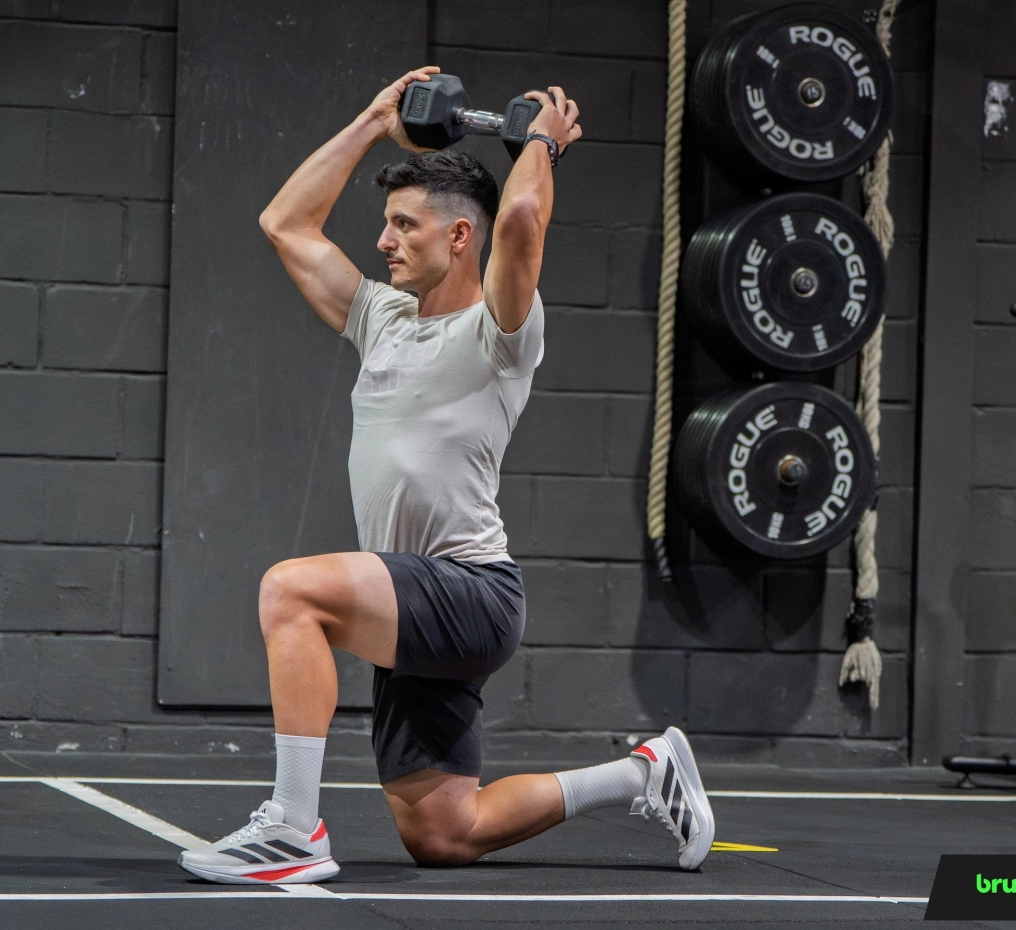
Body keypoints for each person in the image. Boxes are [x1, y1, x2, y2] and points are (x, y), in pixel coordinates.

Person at [177, 68, 715, 885]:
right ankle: (645, 773)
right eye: (386, 225)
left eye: (403, 225)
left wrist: (541, 142)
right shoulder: (381, 318)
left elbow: (524, 213)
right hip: (416, 604)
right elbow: (285, 223)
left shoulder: (500, 331)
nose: (384, 242)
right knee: (444, 832)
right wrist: (371, 120)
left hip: (469, 591)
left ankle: (292, 830)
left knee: (291, 590)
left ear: (460, 238)